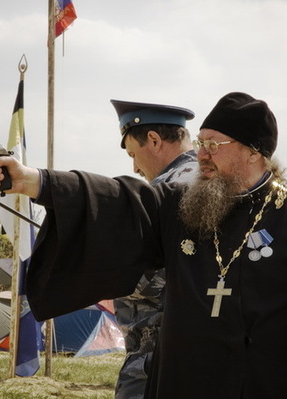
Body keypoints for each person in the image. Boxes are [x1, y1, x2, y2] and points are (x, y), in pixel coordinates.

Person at [0, 92, 287, 399]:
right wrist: (34, 180)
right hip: (188, 386)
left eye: (214, 145)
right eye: (200, 142)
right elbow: (120, 199)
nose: (201, 154)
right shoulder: (185, 205)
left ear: (254, 152)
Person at [110, 99, 198, 399]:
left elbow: (157, 276)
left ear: (154, 140)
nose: (134, 167)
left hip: (155, 354)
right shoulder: (210, 180)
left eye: (134, 154)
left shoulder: (167, 192)